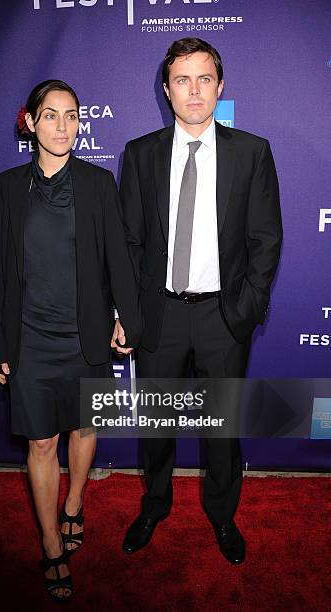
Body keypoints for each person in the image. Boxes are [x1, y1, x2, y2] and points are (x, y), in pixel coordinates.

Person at [114, 38, 282, 563]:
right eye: (182, 80)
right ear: (167, 90)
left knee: (222, 431)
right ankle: (154, 505)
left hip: (222, 316)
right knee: (158, 426)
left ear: (220, 86)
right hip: (158, 315)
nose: (193, 90)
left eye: (203, 79)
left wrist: (244, 311)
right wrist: (126, 313)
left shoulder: (252, 152)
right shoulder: (140, 154)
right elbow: (129, 242)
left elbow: (265, 240)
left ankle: (223, 515)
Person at [0, 79, 141, 602]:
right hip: (30, 339)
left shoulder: (98, 183)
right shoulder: (4, 188)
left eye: (72, 117)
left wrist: (126, 318)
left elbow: (119, 256)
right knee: (43, 441)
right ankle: (51, 543)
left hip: (87, 335)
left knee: (86, 425)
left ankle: (74, 503)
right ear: (30, 120)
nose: (64, 127)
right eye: (52, 116)